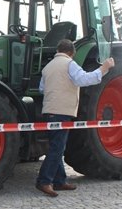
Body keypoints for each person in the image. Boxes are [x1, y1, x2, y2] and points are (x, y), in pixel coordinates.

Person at [36, 39, 115, 197]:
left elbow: (41, 89)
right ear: (72, 52)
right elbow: (84, 79)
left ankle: (59, 180)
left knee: (56, 146)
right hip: (62, 111)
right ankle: (44, 181)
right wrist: (104, 68)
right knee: (57, 147)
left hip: (49, 111)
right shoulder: (69, 64)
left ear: (58, 50)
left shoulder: (47, 67)